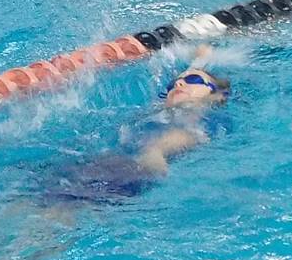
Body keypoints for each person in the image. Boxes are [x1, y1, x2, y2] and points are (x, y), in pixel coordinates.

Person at [44, 53, 232, 203]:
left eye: (192, 79)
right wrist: (201, 57)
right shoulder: (161, 112)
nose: (179, 83)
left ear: (218, 96)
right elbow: (199, 79)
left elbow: (166, 145)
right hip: (97, 164)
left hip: (124, 173)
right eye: (172, 85)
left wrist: (153, 155)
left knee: (54, 215)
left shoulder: (197, 126)